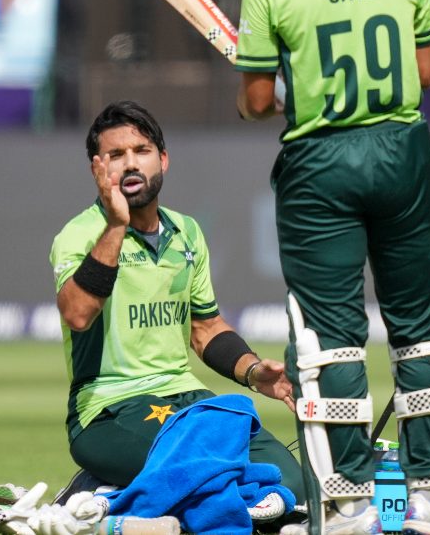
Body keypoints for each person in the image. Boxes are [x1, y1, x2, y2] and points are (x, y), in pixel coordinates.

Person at [235, 0, 430, 532]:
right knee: (423, 327)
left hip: (322, 159)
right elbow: (425, 70)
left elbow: (259, 100)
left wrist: (274, 91)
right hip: (404, 148)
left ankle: (347, 506)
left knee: (331, 339)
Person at [49, 101, 304, 517]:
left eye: (141, 151)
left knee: (289, 479)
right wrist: (116, 225)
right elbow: (77, 314)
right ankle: (101, 490)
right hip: (110, 409)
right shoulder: (79, 234)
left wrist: (255, 373)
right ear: (99, 169)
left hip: (186, 399)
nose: (131, 164)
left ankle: (114, 490)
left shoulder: (186, 232)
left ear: (163, 159)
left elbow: (204, 328)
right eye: (116, 156)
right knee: (212, 475)